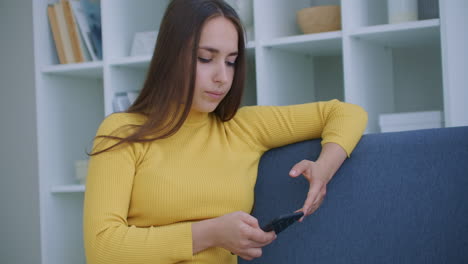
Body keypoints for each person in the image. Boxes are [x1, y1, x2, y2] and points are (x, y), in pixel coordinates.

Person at [83, 0, 368, 263]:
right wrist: (212, 233)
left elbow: (346, 113)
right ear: (170, 56)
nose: (222, 77)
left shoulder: (244, 127)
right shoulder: (123, 131)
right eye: (206, 58)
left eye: (231, 61)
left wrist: (324, 168)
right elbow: (102, 247)